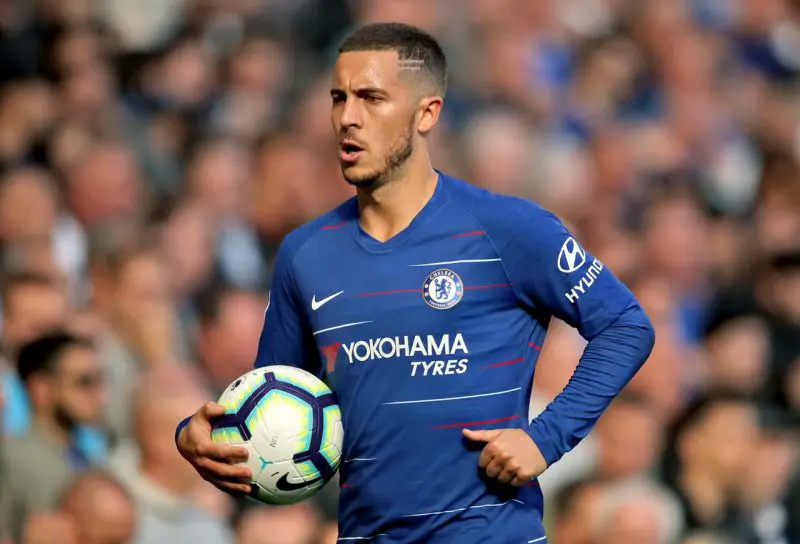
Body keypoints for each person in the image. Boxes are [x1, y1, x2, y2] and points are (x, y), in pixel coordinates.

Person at [176, 22, 655, 543]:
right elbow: (274, 410)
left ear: (427, 113)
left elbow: (625, 325)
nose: (348, 118)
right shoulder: (305, 254)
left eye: (371, 98)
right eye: (339, 98)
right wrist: (198, 439)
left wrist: (546, 438)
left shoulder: (509, 229)